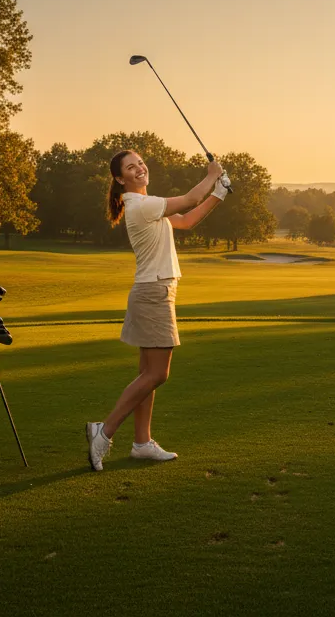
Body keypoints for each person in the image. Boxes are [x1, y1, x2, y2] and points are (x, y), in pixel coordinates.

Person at [86, 150, 227, 471]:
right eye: (130, 167)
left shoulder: (147, 206)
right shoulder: (142, 204)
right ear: (120, 179)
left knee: (147, 375)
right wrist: (212, 174)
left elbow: (188, 220)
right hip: (155, 292)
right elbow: (190, 198)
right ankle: (103, 432)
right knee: (158, 373)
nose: (139, 169)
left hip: (152, 290)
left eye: (140, 163)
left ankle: (142, 443)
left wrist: (218, 193)